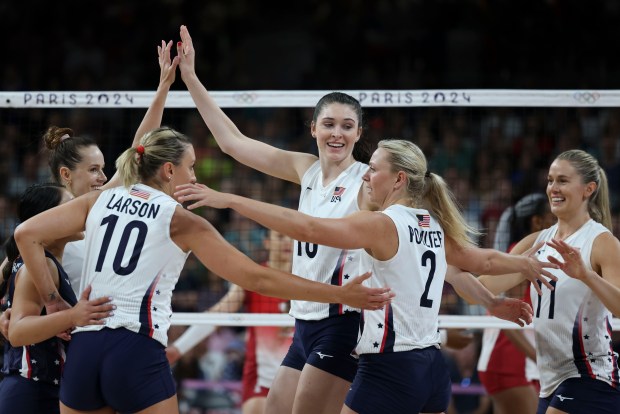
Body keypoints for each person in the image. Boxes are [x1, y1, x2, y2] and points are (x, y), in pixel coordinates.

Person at [14, 127, 393, 414]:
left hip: (84, 347)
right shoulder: (180, 220)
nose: (194, 177)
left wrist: (52, 302)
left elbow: (26, 233)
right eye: (190, 167)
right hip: (134, 346)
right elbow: (255, 278)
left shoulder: (100, 199)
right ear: (167, 170)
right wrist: (339, 295)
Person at [174, 138, 558, 413]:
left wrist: (229, 200)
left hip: (389, 368)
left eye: (373, 169)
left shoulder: (381, 224)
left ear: (399, 180)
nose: (365, 176)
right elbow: (482, 262)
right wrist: (521, 268)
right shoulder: (432, 224)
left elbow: (307, 228)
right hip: (431, 369)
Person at [176, 24, 391, 414]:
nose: (337, 133)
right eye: (328, 124)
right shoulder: (306, 169)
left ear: (359, 133)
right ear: (313, 129)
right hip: (304, 320)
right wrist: (190, 77)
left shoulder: (366, 182)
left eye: (346, 126)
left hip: (342, 320)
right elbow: (233, 143)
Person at [0, 39, 180, 338]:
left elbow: (138, 151)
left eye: (103, 168)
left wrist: (162, 87)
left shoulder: (102, 202)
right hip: (53, 338)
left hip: (90, 335)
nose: (103, 176)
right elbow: (10, 269)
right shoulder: (47, 215)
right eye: (94, 169)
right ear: (66, 174)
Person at [478, 149, 620, 414]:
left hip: (590, 375)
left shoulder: (602, 242)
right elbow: (482, 288)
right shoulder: (537, 242)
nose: (553, 188)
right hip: (551, 380)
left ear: (589, 189)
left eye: (563, 181)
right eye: (550, 180)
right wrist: (453, 266)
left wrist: (586, 275)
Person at [0, 183, 114, 414]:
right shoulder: (44, 266)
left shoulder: (48, 264)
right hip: (30, 390)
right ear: (47, 217)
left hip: (45, 388)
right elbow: (18, 332)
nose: (79, 212)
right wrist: (73, 315)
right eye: (70, 204)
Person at [167, 229, 295, 414]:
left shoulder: (309, 279)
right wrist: (178, 348)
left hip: (299, 376)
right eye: (282, 236)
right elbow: (216, 315)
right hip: (262, 380)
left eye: (293, 238)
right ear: (267, 242)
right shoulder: (253, 278)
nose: (288, 243)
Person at [477, 193, 555, 414]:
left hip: (520, 364)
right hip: (508, 362)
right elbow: (505, 322)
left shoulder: (538, 255)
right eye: (552, 218)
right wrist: (540, 359)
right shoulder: (520, 256)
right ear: (537, 222)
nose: (558, 224)